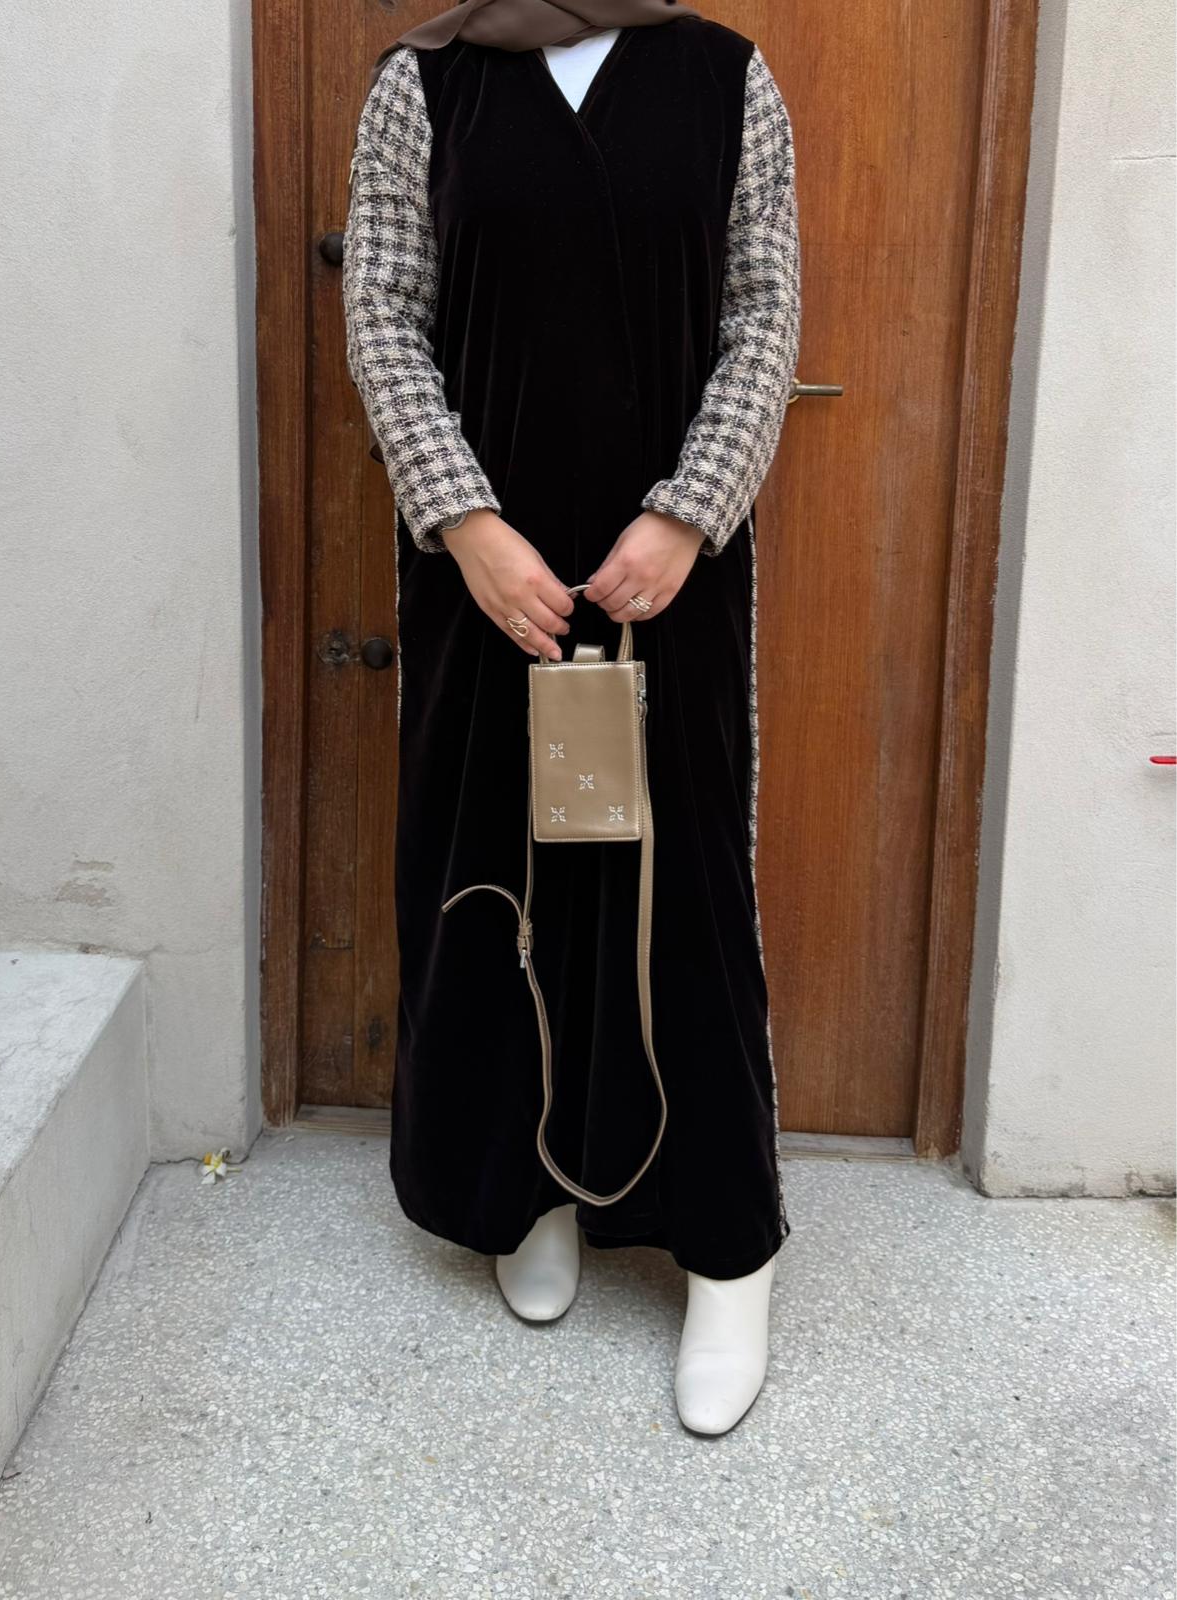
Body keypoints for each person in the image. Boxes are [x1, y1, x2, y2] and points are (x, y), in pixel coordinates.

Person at [342, 0, 801, 1436]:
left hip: (673, 582)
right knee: (494, 873)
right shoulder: (427, 83)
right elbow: (385, 317)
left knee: (685, 896)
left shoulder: (727, 78)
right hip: (490, 585)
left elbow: (762, 316)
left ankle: (727, 1252)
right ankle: (521, 1188)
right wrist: (466, 527)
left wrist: (688, 514)